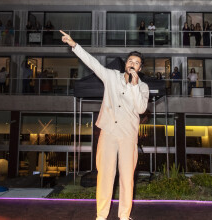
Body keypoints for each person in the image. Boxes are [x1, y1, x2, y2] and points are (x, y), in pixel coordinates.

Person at [60, 30, 149, 220]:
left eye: (136, 63)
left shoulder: (142, 87)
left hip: (128, 136)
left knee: (127, 178)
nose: (132, 64)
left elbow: (141, 109)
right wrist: (74, 45)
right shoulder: (111, 76)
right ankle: (101, 215)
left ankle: (124, 216)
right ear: (126, 64)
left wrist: (133, 86)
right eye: (130, 61)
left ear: (140, 68)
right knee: (105, 175)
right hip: (108, 132)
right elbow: (93, 63)